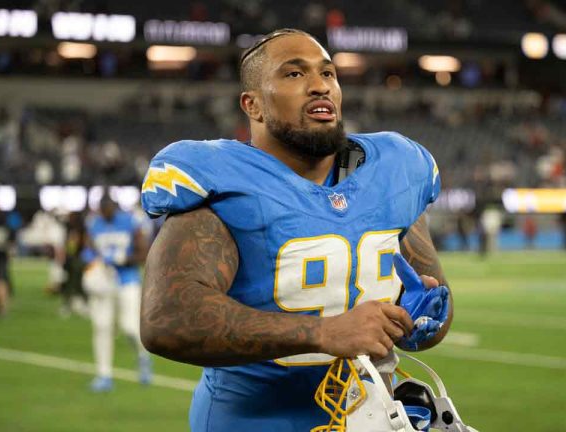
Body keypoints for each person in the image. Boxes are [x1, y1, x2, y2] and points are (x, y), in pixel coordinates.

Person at [139, 29, 454, 431]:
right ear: (252, 105)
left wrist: (419, 317)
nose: (320, 85)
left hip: (373, 419)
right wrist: (323, 332)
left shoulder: (395, 172)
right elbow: (169, 318)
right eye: (294, 74)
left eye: (328, 73)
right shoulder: (221, 181)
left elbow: (433, 313)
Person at [82, 196, 152, 392]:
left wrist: (124, 259)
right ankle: (104, 375)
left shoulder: (130, 221)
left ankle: (142, 355)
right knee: (102, 327)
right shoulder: (95, 223)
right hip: (104, 282)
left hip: (127, 280)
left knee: (129, 327)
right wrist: (94, 262)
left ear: (114, 208)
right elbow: (87, 250)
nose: (105, 214)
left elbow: (143, 253)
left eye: (108, 211)